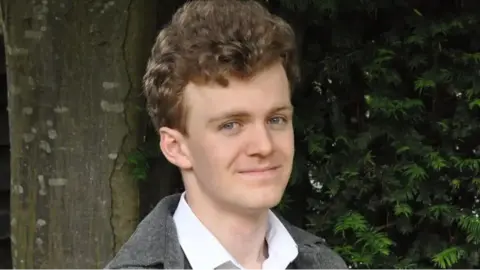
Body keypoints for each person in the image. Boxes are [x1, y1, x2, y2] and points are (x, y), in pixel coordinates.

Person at [105, 0, 347, 269]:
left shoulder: (326, 264)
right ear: (176, 147)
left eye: (276, 119)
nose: (264, 146)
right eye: (231, 125)